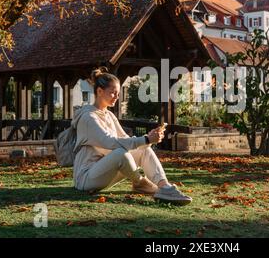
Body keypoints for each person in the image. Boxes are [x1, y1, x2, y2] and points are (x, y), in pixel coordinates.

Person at [71, 67, 192, 205]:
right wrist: (145, 139)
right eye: (113, 93)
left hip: (104, 173)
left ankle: (165, 187)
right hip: (86, 178)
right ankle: (140, 183)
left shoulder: (109, 115)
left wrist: (148, 138)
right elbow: (110, 142)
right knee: (121, 153)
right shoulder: (88, 117)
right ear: (99, 91)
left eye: (118, 93)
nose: (117, 97)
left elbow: (125, 140)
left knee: (143, 150)